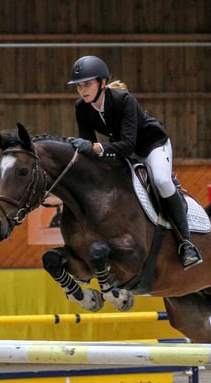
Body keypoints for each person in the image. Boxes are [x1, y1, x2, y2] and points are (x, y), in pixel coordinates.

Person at [66, 55, 202, 270]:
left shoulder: (123, 100)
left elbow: (127, 144)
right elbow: (90, 146)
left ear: (102, 83)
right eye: (79, 86)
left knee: (162, 181)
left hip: (151, 146)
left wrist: (96, 148)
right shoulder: (81, 107)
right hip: (122, 151)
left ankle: (187, 244)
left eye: (87, 84)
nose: (83, 90)